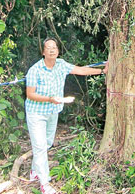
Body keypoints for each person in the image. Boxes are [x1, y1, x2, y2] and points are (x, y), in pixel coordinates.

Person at [25, 37, 106, 194]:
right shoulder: (35, 70)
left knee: (47, 143)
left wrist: (103, 70)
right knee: (40, 146)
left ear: (58, 50)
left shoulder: (61, 65)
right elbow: (30, 94)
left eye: (54, 47)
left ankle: (35, 171)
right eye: (48, 47)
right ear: (43, 52)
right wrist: (49, 99)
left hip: (52, 111)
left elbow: (81, 70)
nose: (52, 50)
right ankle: (45, 184)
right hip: (36, 113)